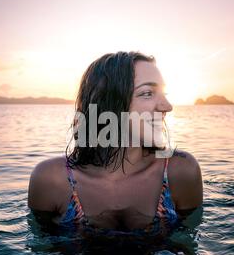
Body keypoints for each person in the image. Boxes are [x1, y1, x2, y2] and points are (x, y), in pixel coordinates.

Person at [28, 51, 203, 238]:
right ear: (107, 102)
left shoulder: (180, 171)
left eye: (163, 93)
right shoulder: (51, 179)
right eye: (147, 93)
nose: (167, 106)